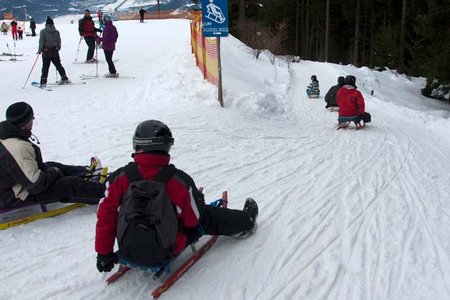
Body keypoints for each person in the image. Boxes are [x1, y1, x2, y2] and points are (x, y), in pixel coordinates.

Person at [95, 120, 258, 272]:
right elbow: (192, 220)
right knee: (205, 216)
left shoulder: (119, 178)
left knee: (113, 213)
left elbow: (105, 215)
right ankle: (246, 222)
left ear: (138, 145)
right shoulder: (178, 181)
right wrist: (196, 201)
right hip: (164, 251)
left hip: (127, 248)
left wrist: (104, 253)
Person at [0, 102, 106, 210]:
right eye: (32, 118)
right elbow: (35, 185)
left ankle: (88, 172)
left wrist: (52, 171)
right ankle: (108, 192)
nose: (33, 119)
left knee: (51, 166)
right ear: (24, 123)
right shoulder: (17, 148)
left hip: (11, 185)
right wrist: (54, 172)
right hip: (12, 197)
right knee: (68, 184)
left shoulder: (6, 133)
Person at [38, 17, 70, 87]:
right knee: (58, 65)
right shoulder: (56, 31)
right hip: (54, 51)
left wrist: (39, 50)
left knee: (45, 67)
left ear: (46, 24)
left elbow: (41, 41)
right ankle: (64, 78)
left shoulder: (43, 31)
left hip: (46, 52)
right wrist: (58, 48)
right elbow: (59, 41)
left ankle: (43, 82)